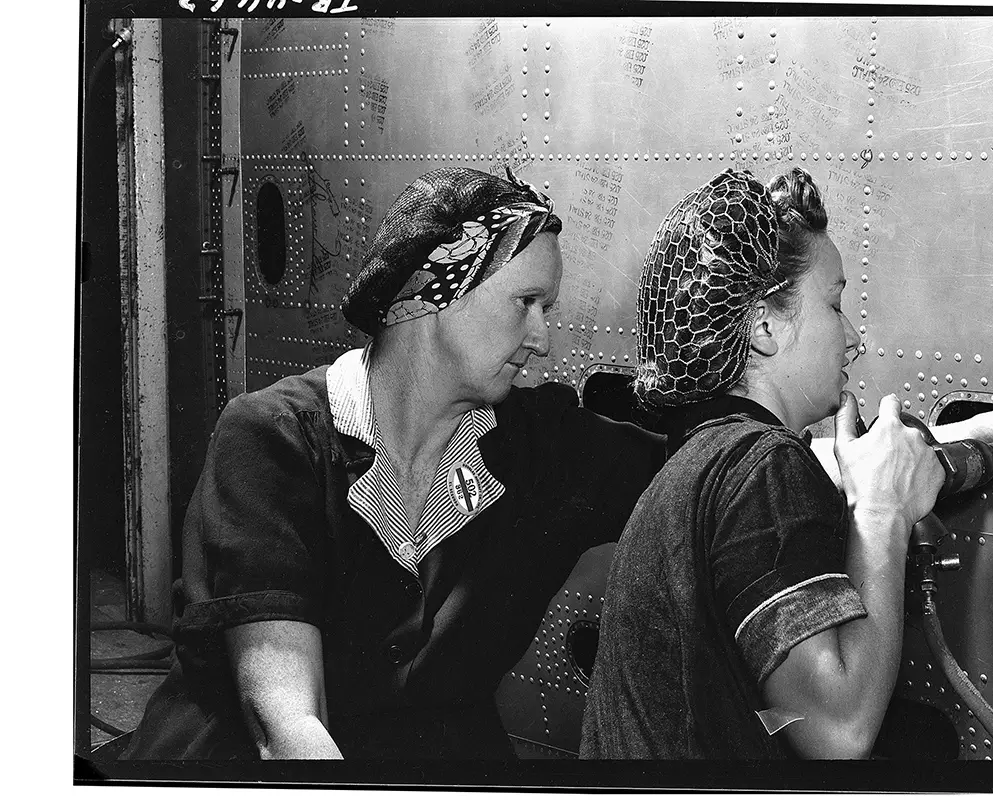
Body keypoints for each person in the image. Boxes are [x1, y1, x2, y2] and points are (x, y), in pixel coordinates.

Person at [121, 167, 664, 759]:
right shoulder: (272, 438)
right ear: (432, 294)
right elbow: (286, 724)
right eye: (526, 302)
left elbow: (706, 474)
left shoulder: (541, 446)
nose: (542, 339)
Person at [579, 167, 993, 759]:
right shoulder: (762, 468)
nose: (853, 338)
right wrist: (881, 512)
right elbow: (837, 731)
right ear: (764, 326)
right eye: (834, 305)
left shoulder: (704, 459)